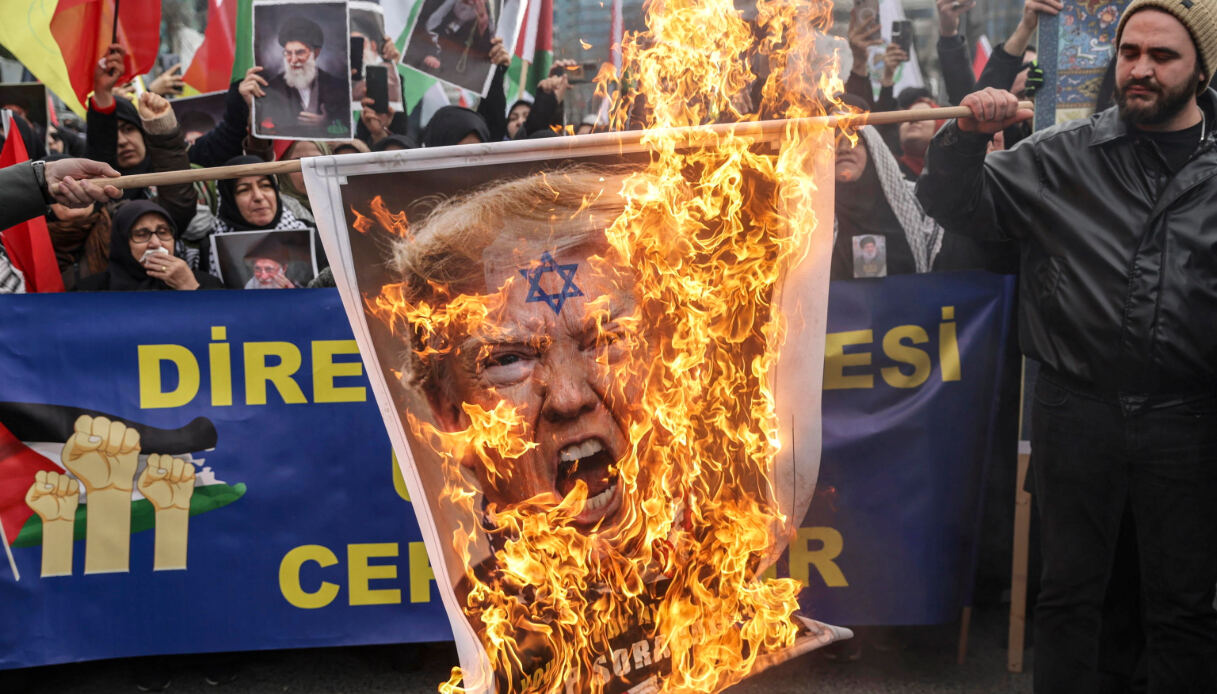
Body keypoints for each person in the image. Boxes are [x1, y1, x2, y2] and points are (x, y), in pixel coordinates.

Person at [915, 1, 1217, 691]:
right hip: (1075, 414)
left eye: (1162, 56)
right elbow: (955, 205)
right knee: (1069, 599)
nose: (1139, 69)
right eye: (1129, 52)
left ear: (1200, 71)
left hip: (1189, 422)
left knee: (1183, 608)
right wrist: (964, 137)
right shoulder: (1060, 155)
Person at [206, 155, 315, 281]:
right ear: (229, 201)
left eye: (265, 185)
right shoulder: (210, 247)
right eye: (244, 190)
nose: (258, 196)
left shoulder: (312, 236)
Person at [74, 200, 222, 291]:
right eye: (141, 234)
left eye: (163, 232)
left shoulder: (205, 283)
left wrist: (189, 287)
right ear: (122, 243)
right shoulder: (91, 291)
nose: (155, 243)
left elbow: (221, 324)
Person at [256, 16, 349, 138]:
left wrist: (325, 123)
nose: (293, 60)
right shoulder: (273, 87)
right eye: (288, 53)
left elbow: (346, 125)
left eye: (300, 52)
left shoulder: (338, 86)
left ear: (316, 53)